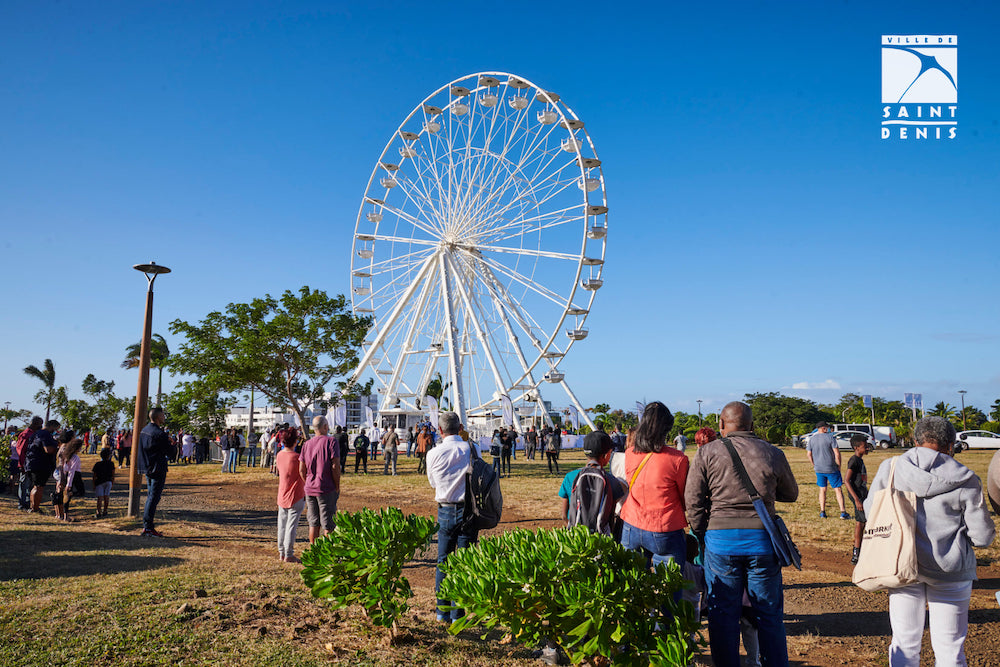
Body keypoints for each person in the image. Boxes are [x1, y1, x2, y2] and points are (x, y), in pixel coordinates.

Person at [865, 416, 995, 666]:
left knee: (904, 643)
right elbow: (982, 537)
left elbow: (871, 512)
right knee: (950, 648)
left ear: (915, 441)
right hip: (951, 569)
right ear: (951, 444)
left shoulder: (890, 468)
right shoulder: (966, 478)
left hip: (901, 564)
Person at [685, 401, 799, 667]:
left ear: (721, 425)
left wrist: (702, 533)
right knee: (769, 614)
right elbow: (791, 494)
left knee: (722, 615)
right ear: (752, 425)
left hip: (721, 543)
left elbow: (693, 500)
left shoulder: (707, 453)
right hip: (762, 542)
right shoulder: (772, 452)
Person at [619, 402, 689, 572]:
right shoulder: (678, 459)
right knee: (668, 588)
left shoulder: (630, 453)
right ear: (665, 430)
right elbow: (683, 496)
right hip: (665, 527)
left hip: (631, 524)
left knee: (632, 585)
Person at [426, 411, 479, 623]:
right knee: (464, 563)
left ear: (439, 430)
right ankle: (459, 614)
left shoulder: (433, 453)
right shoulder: (471, 449)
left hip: (445, 509)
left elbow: (432, 482)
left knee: (443, 562)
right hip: (468, 510)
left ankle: (442, 612)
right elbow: (479, 474)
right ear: (460, 428)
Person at [558, 430, 626, 534]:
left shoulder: (570, 477)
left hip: (576, 537)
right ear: (607, 455)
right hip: (600, 539)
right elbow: (611, 518)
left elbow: (564, 515)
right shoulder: (612, 481)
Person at [139, 407, 175, 537]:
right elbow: (170, 453)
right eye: (163, 415)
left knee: (151, 496)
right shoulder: (159, 434)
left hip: (147, 467)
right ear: (158, 417)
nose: (164, 417)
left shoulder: (144, 430)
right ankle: (148, 527)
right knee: (154, 497)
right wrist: (172, 444)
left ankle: (147, 526)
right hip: (157, 468)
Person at [806, 422, 849, 519]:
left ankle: (822, 511)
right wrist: (839, 465)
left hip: (819, 468)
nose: (829, 429)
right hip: (831, 467)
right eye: (827, 427)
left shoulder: (812, 439)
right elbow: (837, 453)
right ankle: (843, 512)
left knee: (822, 489)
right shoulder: (830, 438)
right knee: (837, 489)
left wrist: (814, 464)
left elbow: (809, 454)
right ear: (823, 428)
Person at [277, 426, 307, 561]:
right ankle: (289, 554)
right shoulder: (297, 458)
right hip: (296, 494)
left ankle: (282, 552)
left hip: (282, 493)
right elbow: (304, 473)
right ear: (295, 441)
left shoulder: (279, 455)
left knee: (282, 524)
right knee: (291, 526)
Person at [843, 434, 869, 565]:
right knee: (861, 522)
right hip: (858, 496)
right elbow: (846, 481)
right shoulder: (854, 460)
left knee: (863, 522)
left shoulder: (860, 460)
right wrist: (857, 500)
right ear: (856, 447)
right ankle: (856, 553)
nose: (867, 448)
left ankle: (861, 550)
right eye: (865, 446)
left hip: (863, 494)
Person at [25, 419, 60, 513]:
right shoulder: (45, 435)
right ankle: (35, 508)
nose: (55, 431)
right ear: (52, 426)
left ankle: (33, 507)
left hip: (31, 462)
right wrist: (58, 449)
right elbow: (48, 449)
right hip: (41, 464)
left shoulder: (36, 433)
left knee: (35, 486)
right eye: (56, 429)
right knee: (39, 487)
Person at [15, 417, 42, 510]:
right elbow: (21, 450)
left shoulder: (32, 433)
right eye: (39, 424)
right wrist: (23, 464)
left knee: (28, 484)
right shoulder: (26, 434)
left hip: (30, 463)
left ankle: (26, 503)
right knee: (24, 484)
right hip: (25, 464)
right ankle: (22, 504)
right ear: (35, 424)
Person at [92, 446, 115, 517]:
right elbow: (113, 474)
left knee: (100, 497)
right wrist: (112, 482)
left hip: (99, 481)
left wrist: (93, 484)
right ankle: (105, 511)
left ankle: (98, 511)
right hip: (108, 481)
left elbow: (94, 475)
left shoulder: (97, 464)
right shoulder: (111, 464)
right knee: (106, 496)